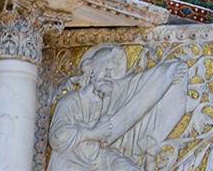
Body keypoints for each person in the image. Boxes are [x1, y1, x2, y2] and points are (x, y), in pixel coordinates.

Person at [46, 44, 188, 171]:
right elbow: (57, 138)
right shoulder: (69, 101)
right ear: (92, 70)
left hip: (102, 157)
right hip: (71, 162)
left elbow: (142, 89)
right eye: (107, 70)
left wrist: (169, 74)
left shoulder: (111, 103)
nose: (110, 76)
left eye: (115, 73)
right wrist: (92, 133)